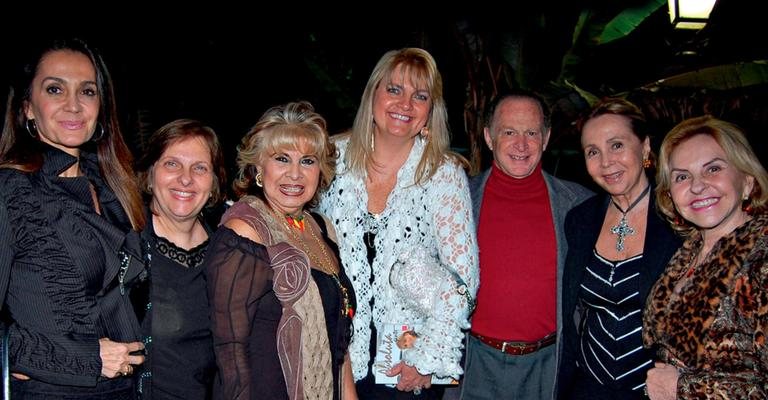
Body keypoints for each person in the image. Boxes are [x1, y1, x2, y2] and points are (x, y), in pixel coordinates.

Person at [318, 47, 478, 400]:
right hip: (335, 356)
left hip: (407, 362)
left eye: (420, 96)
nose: (405, 104)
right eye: (394, 90)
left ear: (429, 111)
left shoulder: (444, 175)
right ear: (373, 94)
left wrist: (427, 359)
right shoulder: (330, 159)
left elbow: (463, 283)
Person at [0, 37, 146, 398]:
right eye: (55, 89)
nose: (73, 105)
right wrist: (82, 356)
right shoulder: (10, 191)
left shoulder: (112, 188)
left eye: (87, 91)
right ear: (27, 108)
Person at [204, 101, 356, 400]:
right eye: (282, 159)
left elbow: (338, 341)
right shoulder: (245, 232)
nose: (295, 174)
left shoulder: (321, 228)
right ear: (259, 167)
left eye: (308, 161)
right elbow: (229, 353)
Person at [461, 90, 591, 400]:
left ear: (545, 138)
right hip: (473, 364)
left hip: (549, 366)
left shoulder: (579, 206)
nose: (521, 145)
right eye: (509, 132)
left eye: (531, 133)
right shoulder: (458, 199)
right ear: (489, 137)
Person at [555, 98, 681, 399]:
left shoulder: (680, 221)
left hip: (654, 390)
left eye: (617, 145)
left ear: (645, 147)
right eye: (592, 152)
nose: (606, 162)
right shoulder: (580, 220)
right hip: (587, 387)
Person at [643, 115, 768, 399]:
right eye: (682, 176)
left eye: (713, 169)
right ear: (670, 194)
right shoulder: (688, 252)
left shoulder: (761, 260)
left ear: (747, 180)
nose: (697, 186)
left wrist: (681, 389)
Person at [133, 119, 225, 399]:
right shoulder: (123, 249)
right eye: (172, 164)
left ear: (214, 183)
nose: (186, 179)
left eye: (200, 168)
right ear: (149, 175)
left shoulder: (230, 250)